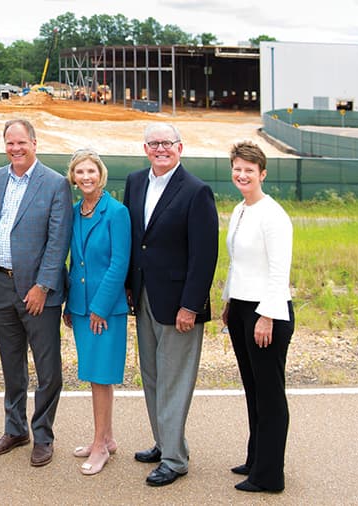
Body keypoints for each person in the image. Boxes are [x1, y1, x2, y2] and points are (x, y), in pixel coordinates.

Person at [123, 122, 219, 487]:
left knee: (175, 380)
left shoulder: (197, 191)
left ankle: (175, 461)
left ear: (180, 148)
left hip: (179, 304)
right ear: (145, 149)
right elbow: (137, 241)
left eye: (167, 143)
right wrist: (132, 287)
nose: (160, 148)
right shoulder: (135, 182)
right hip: (145, 295)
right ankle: (165, 442)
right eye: (153, 143)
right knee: (151, 375)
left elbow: (204, 255)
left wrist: (191, 306)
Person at [0, 119, 73, 467]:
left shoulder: (54, 184)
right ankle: (15, 428)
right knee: (12, 365)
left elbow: (58, 239)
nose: (15, 149)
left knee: (48, 368)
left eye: (21, 142)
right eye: (10, 143)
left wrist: (42, 285)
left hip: (39, 290)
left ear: (34, 143)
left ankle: (44, 435)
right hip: (2, 284)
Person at [222, 141, 294, 493]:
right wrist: (228, 302)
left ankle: (269, 476)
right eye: (237, 168)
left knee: (269, 394)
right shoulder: (240, 210)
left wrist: (266, 316)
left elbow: (280, 271)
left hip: (268, 312)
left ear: (262, 174)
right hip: (241, 308)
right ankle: (256, 459)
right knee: (253, 390)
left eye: (249, 170)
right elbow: (238, 263)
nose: (242, 174)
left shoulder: (273, 214)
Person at [62, 149, 131, 476]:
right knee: (92, 374)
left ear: (100, 174)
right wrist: (70, 303)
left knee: (101, 377)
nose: (86, 177)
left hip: (104, 310)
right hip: (79, 306)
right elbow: (74, 262)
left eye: (91, 171)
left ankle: (101, 446)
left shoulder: (116, 212)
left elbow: (120, 263)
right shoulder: (74, 211)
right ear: (73, 178)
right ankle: (107, 437)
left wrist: (99, 307)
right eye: (80, 172)